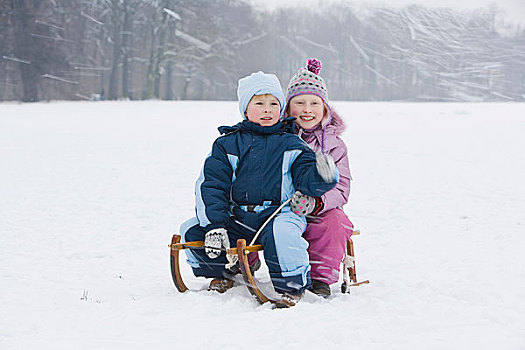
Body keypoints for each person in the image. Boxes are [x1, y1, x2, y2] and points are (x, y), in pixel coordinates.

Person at [179, 71, 339, 306]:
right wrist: (215, 224)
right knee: (192, 229)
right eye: (259, 103)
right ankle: (221, 273)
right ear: (245, 109)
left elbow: (306, 180)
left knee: (283, 233)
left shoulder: (292, 144)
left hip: (278, 214)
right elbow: (212, 185)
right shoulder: (227, 144)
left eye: (274, 103)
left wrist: (322, 175)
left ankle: (291, 284)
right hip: (238, 217)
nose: (267, 109)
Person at [284, 58, 354, 297]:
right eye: (299, 102)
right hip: (281, 206)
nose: (307, 110)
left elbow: (342, 187)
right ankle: (249, 263)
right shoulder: (279, 138)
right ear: (287, 108)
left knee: (335, 222)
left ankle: (320, 276)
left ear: (325, 108)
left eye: (314, 103)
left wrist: (317, 203)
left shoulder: (334, 145)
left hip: (318, 209)